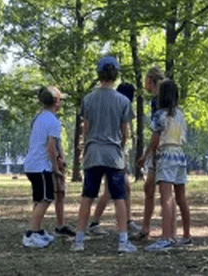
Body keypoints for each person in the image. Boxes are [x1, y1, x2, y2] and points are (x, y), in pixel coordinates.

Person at [72, 56, 137, 253]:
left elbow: (86, 127)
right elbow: (124, 131)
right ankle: (123, 241)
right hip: (113, 154)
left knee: (87, 196)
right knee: (119, 197)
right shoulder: (123, 101)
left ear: (98, 74)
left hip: (93, 153)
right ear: (115, 75)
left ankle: (79, 240)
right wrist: (120, 146)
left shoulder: (88, 99)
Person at [139, 79, 189, 251]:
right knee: (180, 197)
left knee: (166, 197)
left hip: (165, 155)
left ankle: (166, 237)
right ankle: (184, 235)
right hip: (180, 156)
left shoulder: (159, 115)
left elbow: (155, 140)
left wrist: (147, 156)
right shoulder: (180, 115)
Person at [89, 83, 141, 238]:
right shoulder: (119, 106)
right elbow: (122, 133)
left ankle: (128, 220)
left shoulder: (116, 105)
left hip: (114, 152)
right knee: (110, 190)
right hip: (112, 153)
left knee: (125, 187)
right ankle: (96, 222)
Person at [22, 86, 67, 248]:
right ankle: (31, 233)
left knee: (38, 198)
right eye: (60, 100)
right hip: (41, 167)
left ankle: (38, 230)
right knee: (46, 198)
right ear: (56, 101)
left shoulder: (39, 117)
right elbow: (51, 147)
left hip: (31, 165)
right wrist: (56, 167)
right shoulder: (53, 121)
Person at [131, 66, 167, 241]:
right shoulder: (162, 100)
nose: (145, 85)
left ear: (151, 80)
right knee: (151, 188)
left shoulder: (157, 102)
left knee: (161, 191)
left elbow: (157, 134)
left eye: (146, 80)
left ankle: (164, 232)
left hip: (161, 152)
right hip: (162, 150)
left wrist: (146, 154)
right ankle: (147, 228)